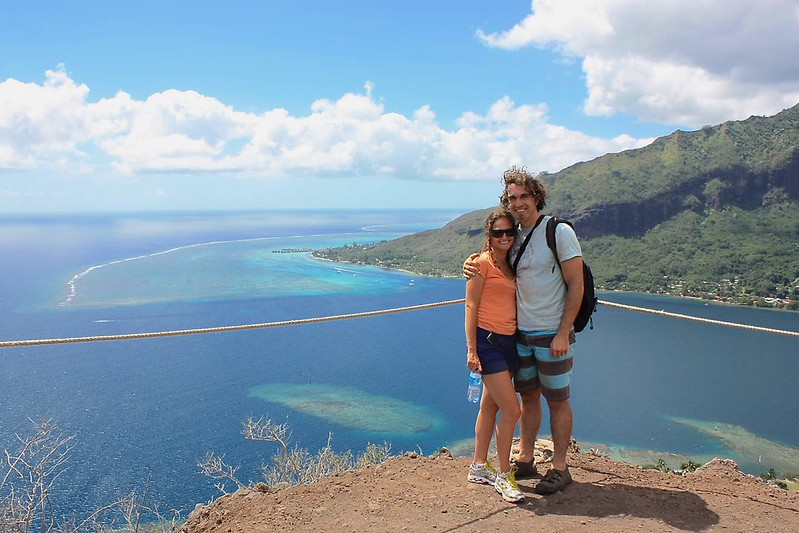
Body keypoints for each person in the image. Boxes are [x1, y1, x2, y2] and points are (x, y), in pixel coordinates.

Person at [465, 166, 584, 495]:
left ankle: (560, 468)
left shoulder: (557, 231)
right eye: (512, 198)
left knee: (558, 400)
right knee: (528, 397)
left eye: (524, 196)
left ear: (536, 198)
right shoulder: (513, 239)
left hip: (551, 335)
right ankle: (526, 458)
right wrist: (469, 264)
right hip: (518, 337)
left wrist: (563, 331)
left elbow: (577, 284)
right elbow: (490, 267)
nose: (518, 203)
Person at [464, 208, 524, 503]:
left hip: (508, 342)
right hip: (488, 343)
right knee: (513, 411)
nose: (504, 237)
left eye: (509, 232)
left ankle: (478, 466)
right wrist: (472, 349)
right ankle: (504, 475)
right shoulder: (480, 264)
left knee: (489, 408)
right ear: (489, 235)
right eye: (498, 232)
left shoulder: (510, 264)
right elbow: (471, 307)